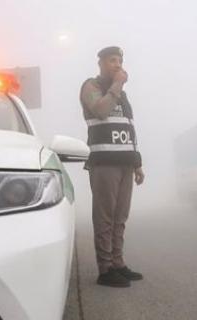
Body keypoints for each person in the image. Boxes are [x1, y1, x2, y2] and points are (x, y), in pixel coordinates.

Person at [80, 46, 145, 288]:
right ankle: (105, 269)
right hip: (104, 162)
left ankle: (118, 263)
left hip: (125, 164)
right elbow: (102, 111)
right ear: (101, 64)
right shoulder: (92, 87)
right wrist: (117, 85)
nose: (117, 65)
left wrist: (137, 163)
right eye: (112, 61)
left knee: (120, 218)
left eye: (119, 61)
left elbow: (129, 129)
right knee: (105, 218)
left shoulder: (122, 96)